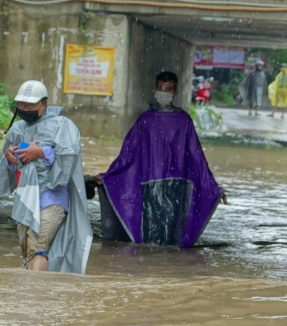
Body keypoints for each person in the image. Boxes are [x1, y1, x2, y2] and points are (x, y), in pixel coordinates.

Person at [92, 71, 227, 248]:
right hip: (149, 187)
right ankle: (157, 268)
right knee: (150, 233)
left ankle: (164, 267)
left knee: (171, 237)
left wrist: (214, 188)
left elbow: (197, 157)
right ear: (155, 89)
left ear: (175, 91)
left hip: (176, 189)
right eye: (160, 88)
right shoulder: (145, 121)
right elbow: (128, 154)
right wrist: (108, 176)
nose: (163, 92)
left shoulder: (184, 121)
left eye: (168, 89)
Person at [0, 80, 92, 274]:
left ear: (44, 104)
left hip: (52, 197)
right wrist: (9, 158)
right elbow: (7, 168)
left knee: (38, 247)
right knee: (27, 249)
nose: (24, 109)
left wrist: (42, 152)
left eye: (30, 105)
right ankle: (34, 293)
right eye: (21, 104)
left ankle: (35, 296)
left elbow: (69, 158)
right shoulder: (16, 129)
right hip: (26, 198)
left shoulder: (63, 125)